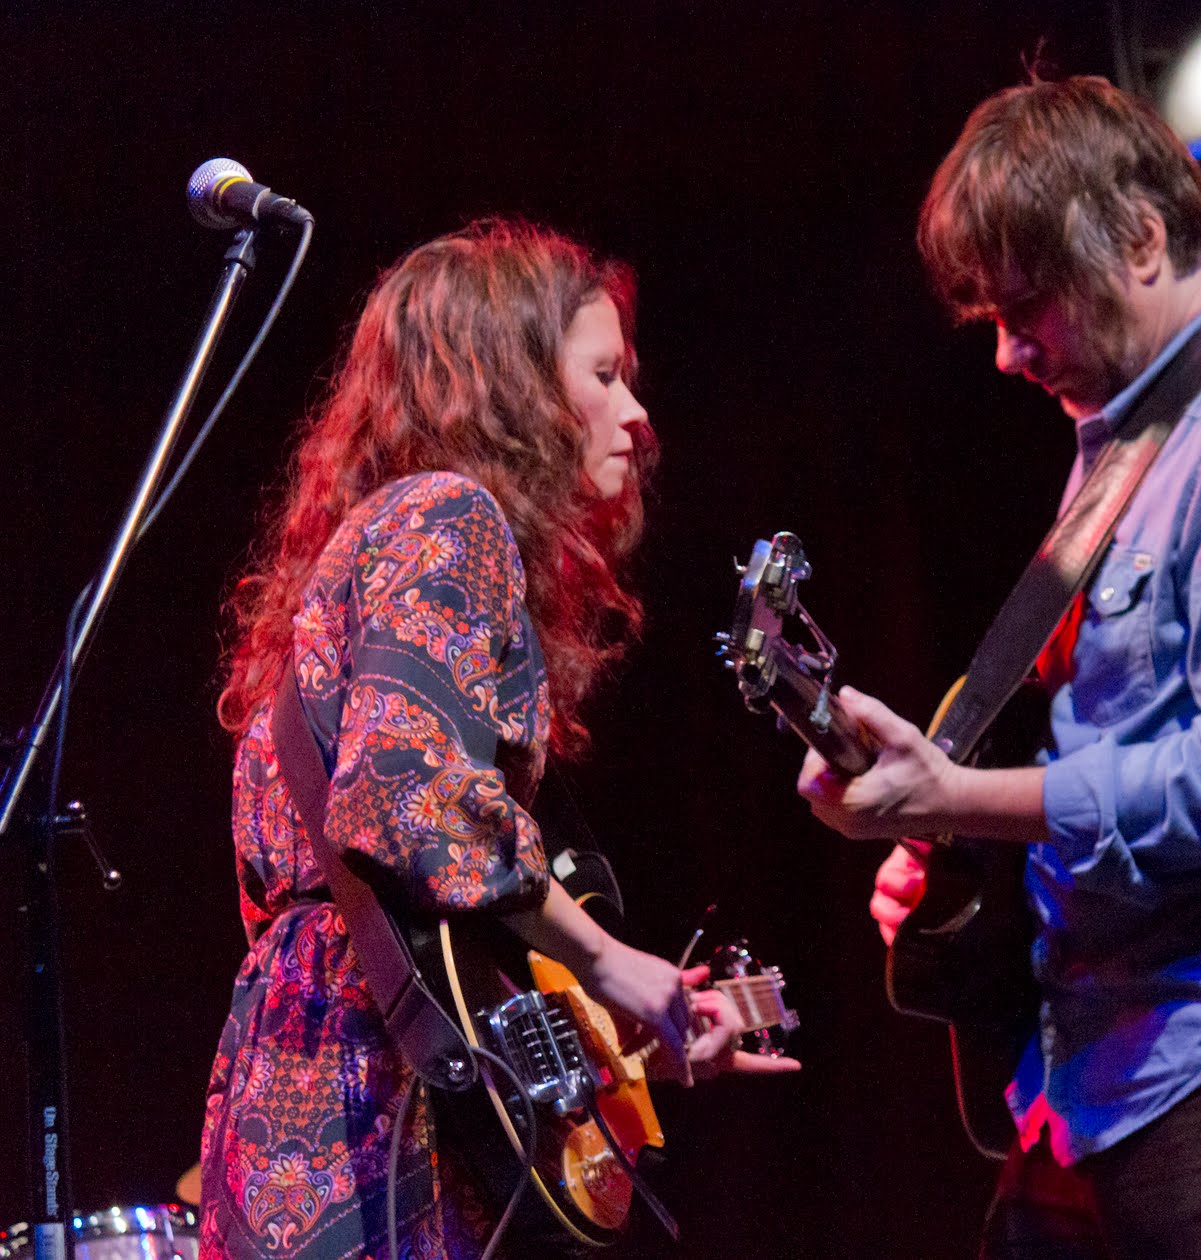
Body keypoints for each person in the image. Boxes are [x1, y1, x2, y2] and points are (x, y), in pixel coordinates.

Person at [798, 75, 1201, 1259]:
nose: (1004, 353)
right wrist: (958, 863)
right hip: (1088, 1088)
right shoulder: (1130, 447)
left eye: (1026, 305)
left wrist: (961, 796)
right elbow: (1107, 759)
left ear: (1139, 238)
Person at [202, 217, 794, 1259]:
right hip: (373, 1106)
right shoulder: (450, 516)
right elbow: (405, 799)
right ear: (510, 385)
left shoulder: (377, 544)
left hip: (308, 1069)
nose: (636, 414)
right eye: (603, 376)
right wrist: (609, 961)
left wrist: (617, 1041)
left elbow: (421, 909)